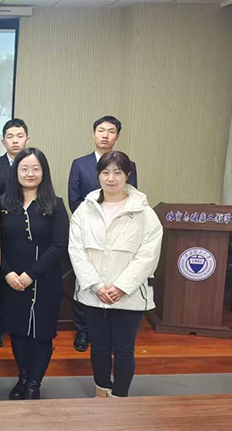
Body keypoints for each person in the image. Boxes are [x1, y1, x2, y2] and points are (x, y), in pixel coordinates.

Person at [68, 151, 162, 398]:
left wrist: (121, 286)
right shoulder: (84, 210)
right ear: (98, 175)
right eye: (106, 172)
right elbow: (76, 250)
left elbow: (148, 254)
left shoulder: (144, 212)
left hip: (129, 295)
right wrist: (96, 285)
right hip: (93, 293)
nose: (111, 178)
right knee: (98, 347)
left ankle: (120, 397)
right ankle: (101, 393)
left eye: (117, 172)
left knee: (124, 350)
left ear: (127, 175)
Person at [0, 148, 69, 400]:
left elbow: (59, 246)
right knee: (17, 333)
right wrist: (7, 273)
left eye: (36, 169)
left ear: (44, 172)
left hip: (44, 281)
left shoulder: (55, 205)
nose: (30, 173)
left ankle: (33, 385)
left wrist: (30, 274)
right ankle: (23, 377)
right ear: (15, 172)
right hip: (11, 282)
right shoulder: (3, 203)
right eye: (24, 168)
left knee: (41, 335)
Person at [68, 115, 138, 352]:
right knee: (85, 279)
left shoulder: (128, 164)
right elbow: (74, 199)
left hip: (118, 233)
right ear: (93, 134)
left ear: (117, 136)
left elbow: (132, 198)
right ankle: (82, 330)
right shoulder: (80, 164)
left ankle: (110, 329)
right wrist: (93, 223)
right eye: (101, 130)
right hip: (89, 231)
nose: (105, 135)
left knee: (112, 279)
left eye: (110, 131)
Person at [0, 118, 30, 348]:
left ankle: (22, 325)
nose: (15, 141)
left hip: (27, 230)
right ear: (3, 141)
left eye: (19, 136)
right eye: (10, 137)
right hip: (0, 227)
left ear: (27, 139)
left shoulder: (34, 163)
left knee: (24, 277)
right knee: (1, 278)